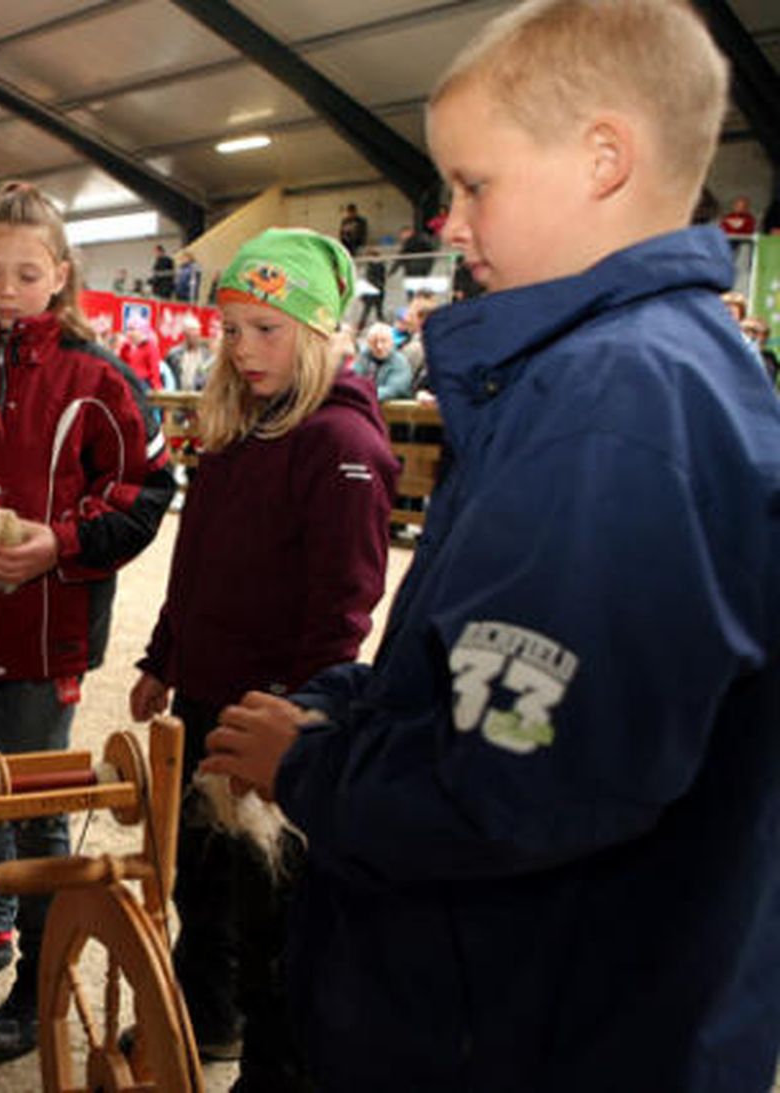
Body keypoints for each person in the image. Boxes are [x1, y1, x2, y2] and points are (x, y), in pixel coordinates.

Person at [202, 3, 780, 1090]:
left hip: (530, 1024)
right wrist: (349, 704)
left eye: (472, 185)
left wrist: (312, 762)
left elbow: (522, 778)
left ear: (601, 158)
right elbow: (484, 664)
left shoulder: (613, 405)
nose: (448, 223)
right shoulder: (621, 372)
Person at [0, 180, 175, 1060]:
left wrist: (59, 542)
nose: (7, 290)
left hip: (53, 626)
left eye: (26, 273)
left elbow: (143, 491)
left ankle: (38, 971)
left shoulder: (101, 382)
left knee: (42, 798)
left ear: (59, 277)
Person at [133, 227, 398, 1088]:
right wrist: (160, 656)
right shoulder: (233, 432)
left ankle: (273, 1060)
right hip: (206, 695)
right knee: (199, 874)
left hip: (273, 715)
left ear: (317, 332)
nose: (245, 348)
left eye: (268, 328)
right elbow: (194, 561)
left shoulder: (341, 450)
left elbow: (342, 611)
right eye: (233, 328)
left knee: (270, 902)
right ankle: (208, 1013)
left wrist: (296, 717)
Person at [353, 321, 416, 400]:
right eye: (374, 341)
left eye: (384, 341)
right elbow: (354, 379)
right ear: (368, 343)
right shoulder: (364, 356)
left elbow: (393, 390)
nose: (379, 346)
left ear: (391, 342)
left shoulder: (400, 362)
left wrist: (364, 394)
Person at [165, 313, 218, 392]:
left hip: (198, 397)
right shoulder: (174, 354)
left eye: (197, 332)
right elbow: (168, 376)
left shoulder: (206, 355)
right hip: (177, 396)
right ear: (185, 334)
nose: (195, 335)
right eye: (192, 332)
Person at [119, 313, 166, 390]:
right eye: (128, 329)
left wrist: (157, 386)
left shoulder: (150, 346)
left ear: (141, 331)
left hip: (143, 382)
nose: (129, 332)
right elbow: (122, 364)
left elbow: (154, 368)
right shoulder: (127, 347)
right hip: (129, 380)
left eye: (132, 329)